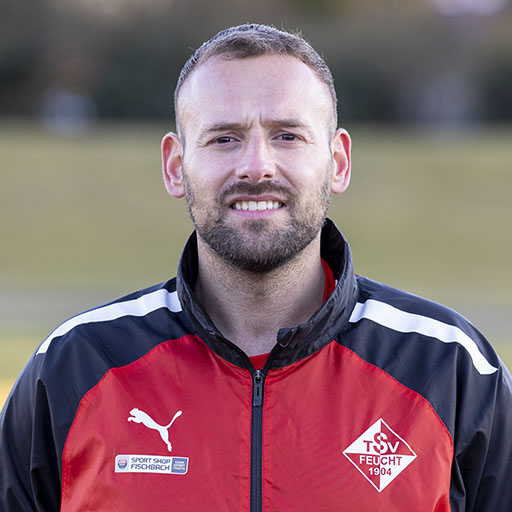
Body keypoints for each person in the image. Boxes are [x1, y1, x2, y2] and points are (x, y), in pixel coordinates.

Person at [1, 23, 511, 511]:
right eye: (224, 138)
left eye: (287, 136)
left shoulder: (448, 369)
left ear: (338, 162)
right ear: (175, 167)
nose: (256, 166)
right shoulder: (75, 367)